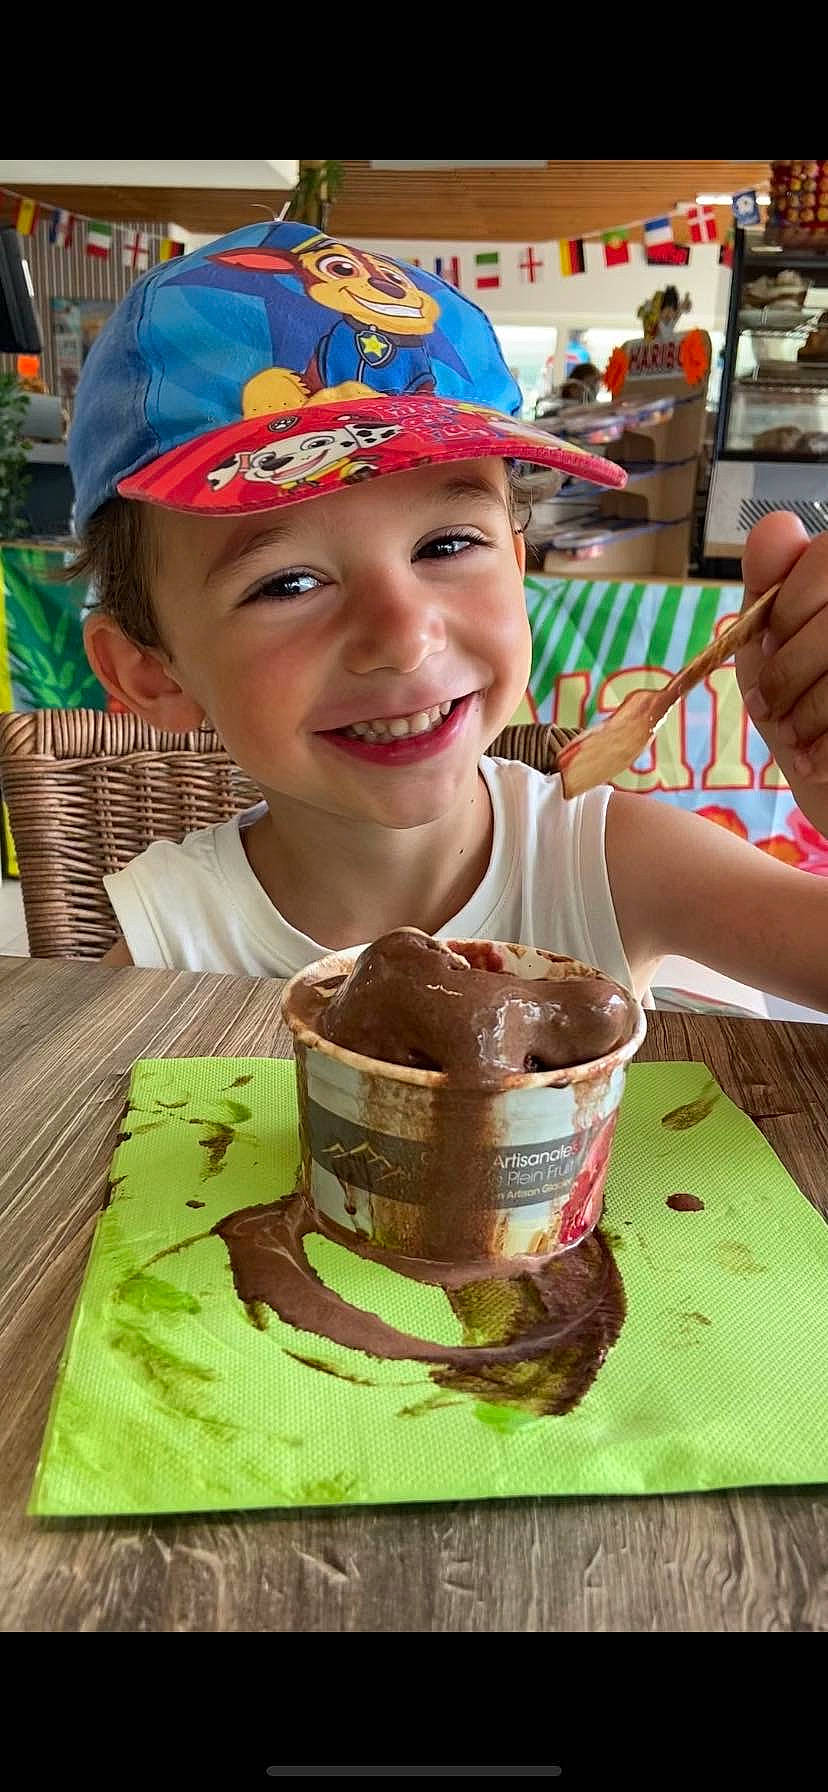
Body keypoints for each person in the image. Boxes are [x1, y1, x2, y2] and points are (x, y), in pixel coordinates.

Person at [70, 220, 828, 1014]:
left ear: (517, 558)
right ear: (150, 672)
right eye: (287, 584)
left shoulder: (610, 863)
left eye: (446, 544)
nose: (403, 638)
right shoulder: (172, 942)